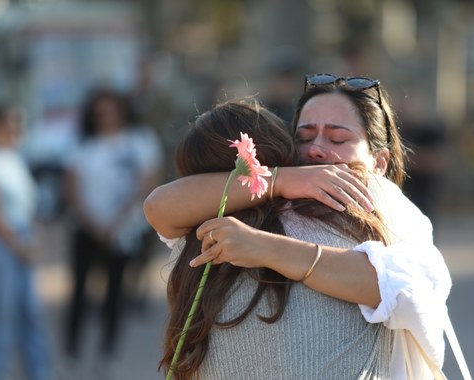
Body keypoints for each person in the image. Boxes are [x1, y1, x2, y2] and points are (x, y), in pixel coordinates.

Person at [145, 75, 451, 379]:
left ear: (379, 163)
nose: (317, 149)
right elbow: (157, 206)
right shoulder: (228, 208)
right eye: (304, 137)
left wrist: (265, 247)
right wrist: (282, 179)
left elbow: (407, 287)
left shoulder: (377, 196)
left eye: (338, 139)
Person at [62, 88, 163, 369]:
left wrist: (116, 222)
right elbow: (72, 192)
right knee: (80, 291)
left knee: (116, 291)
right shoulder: (82, 146)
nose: (105, 117)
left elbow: (147, 185)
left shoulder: (139, 141)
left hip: (123, 231)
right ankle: (71, 352)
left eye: (110, 110)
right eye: (99, 112)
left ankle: (107, 352)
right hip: (86, 230)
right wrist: (96, 225)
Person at [0, 104, 52, 380]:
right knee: (2, 317)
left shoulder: (16, 158)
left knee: (30, 313)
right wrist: (21, 246)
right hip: (5, 245)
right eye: (9, 124)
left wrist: (34, 239)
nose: (15, 130)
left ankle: (38, 373)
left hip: (21, 240)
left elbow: (28, 208)